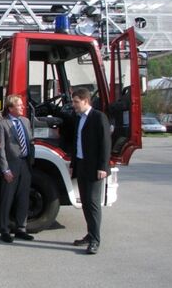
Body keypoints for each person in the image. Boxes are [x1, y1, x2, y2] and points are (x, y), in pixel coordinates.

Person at [69, 87, 111, 255]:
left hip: (95, 168)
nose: (74, 105)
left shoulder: (98, 117)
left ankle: (95, 240)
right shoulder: (79, 119)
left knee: (93, 204)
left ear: (85, 101)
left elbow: (105, 144)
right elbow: (76, 142)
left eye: (76, 102)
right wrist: (73, 163)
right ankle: (89, 234)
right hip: (81, 165)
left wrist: (103, 167)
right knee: (85, 203)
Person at [0, 95, 35, 243]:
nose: (22, 107)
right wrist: (5, 170)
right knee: (7, 199)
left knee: (23, 198)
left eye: (22, 105)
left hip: (25, 165)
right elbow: (1, 149)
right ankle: (4, 229)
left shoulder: (25, 121)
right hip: (11, 166)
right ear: (10, 108)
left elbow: (30, 142)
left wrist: (32, 161)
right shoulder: (2, 124)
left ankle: (21, 228)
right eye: (19, 105)